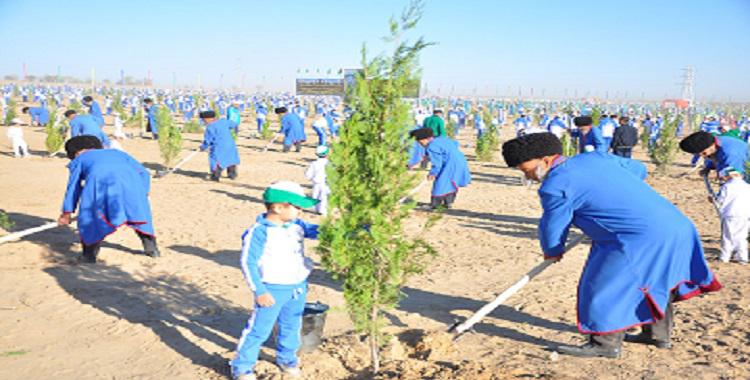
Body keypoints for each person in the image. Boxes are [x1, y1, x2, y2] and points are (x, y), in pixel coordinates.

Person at [501, 132, 721, 359]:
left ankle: (604, 344)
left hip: (637, 238)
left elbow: (553, 225)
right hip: (676, 226)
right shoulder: (597, 158)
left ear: (545, 159)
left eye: (524, 167)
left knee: (600, 285)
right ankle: (657, 335)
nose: (526, 174)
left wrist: (552, 250)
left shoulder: (555, 185)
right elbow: (639, 171)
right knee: (657, 279)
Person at [230, 181, 320, 380]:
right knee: (258, 330)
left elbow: (319, 231)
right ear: (278, 207)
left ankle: (287, 359)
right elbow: (248, 263)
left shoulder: (297, 225)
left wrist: (354, 230)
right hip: (272, 289)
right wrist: (259, 290)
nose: (300, 211)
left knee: (291, 325)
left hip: (297, 287)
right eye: (296, 206)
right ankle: (242, 367)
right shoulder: (259, 232)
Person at [58, 135, 159, 263]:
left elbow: (73, 187)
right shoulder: (119, 153)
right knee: (139, 215)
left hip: (99, 187)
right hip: (132, 186)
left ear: (76, 152)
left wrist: (66, 213)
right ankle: (152, 249)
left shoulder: (80, 159)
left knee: (90, 219)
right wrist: (142, 192)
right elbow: (143, 173)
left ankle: (88, 256)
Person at [409, 128, 471, 209]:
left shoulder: (431, 146)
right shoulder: (442, 139)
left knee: (440, 183)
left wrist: (433, 173)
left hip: (450, 164)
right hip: (460, 161)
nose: (420, 144)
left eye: (420, 142)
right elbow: (455, 144)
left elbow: (437, 163)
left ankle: (434, 205)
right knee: (450, 182)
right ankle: (448, 203)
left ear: (425, 139)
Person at [714, 166, 750, 264]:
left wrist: (713, 199)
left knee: (727, 236)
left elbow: (720, 200)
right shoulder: (747, 186)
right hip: (745, 215)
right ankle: (742, 257)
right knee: (742, 236)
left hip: (730, 214)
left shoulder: (727, 187)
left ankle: (724, 257)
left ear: (726, 177)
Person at [679, 131, 749, 177]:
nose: (702, 156)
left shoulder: (731, 153)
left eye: (703, 153)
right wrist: (708, 167)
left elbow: (735, 176)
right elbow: (716, 156)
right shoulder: (717, 142)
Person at [199, 111, 240, 181]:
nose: (204, 122)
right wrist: (236, 133)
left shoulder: (210, 127)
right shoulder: (224, 121)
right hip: (230, 144)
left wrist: (203, 147)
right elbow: (234, 125)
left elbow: (208, 140)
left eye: (204, 120)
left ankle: (215, 176)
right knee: (231, 159)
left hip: (219, 146)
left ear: (208, 119)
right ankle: (232, 174)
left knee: (216, 160)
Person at [305, 145, 331, 215]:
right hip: (326, 182)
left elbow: (308, 174)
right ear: (327, 154)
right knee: (324, 196)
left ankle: (316, 209)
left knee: (315, 195)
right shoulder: (329, 163)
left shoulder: (314, 163)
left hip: (316, 182)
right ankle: (322, 210)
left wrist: (309, 178)